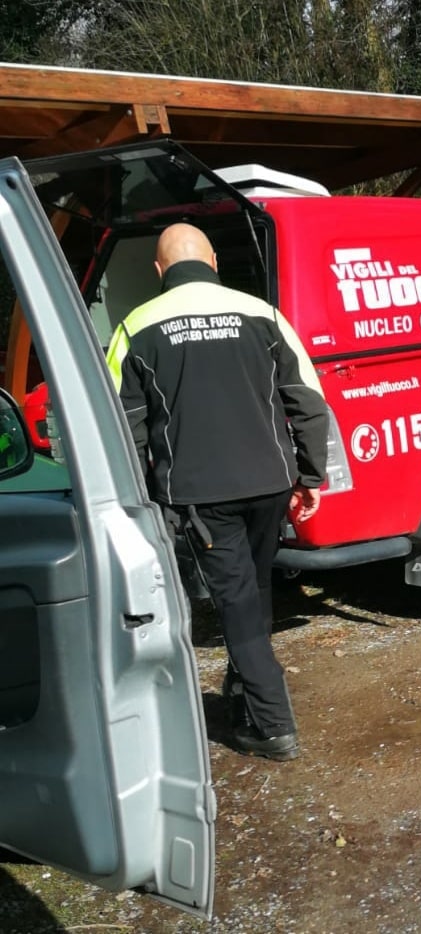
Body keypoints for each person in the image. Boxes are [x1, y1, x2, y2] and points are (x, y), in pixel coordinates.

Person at [106, 223, 328, 762]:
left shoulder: (135, 327)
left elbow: (120, 426)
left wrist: (138, 502)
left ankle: (273, 727)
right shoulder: (263, 314)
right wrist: (310, 475)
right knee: (252, 590)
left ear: (160, 271)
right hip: (271, 485)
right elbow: (308, 400)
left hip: (202, 497)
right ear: (213, 260)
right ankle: (246, 695)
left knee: (236, 605)